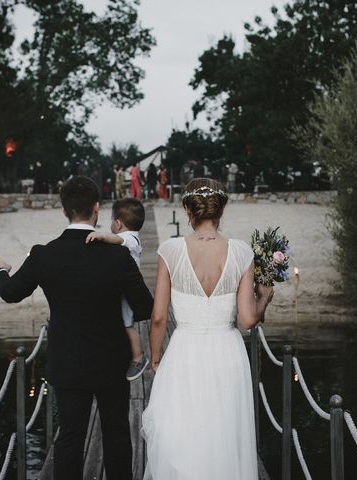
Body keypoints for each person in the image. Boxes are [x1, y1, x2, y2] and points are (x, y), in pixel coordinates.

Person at [0, 176, 154, 480]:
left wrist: (0, 271)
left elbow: (11, 291)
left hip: (67, 362)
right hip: (111, 360)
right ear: (96, 208)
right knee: (117, 434)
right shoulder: (116, 254)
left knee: (69, 437)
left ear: (65, 211)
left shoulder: (44, 254)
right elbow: (145, 306)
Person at [142, 178, 274, 479]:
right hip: (228, 353)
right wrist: (263, 299)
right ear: (220, 211)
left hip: (184, 351)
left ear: (188, 210)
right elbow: (247, 320)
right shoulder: (241, 252)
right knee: (224, 430)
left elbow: (159, 316)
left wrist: (156, 358)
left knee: (184, 432)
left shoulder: (170, 250)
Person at [85, 198, 149, 380]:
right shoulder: (133, 237)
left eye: (112, 220)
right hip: (124, 288)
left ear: (118, 223)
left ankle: (138, 358)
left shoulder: (129, 239)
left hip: (128, 292)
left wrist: (102, 236)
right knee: (122, 323)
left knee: (127, 325)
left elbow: (118, 239)